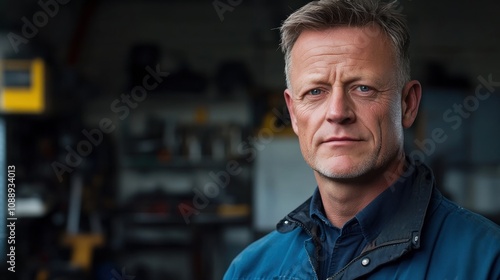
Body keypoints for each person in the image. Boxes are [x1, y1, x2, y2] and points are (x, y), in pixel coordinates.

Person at [224, 0, 500, 279]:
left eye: (363, 88)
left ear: (407, 104)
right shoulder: (250, 270)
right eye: (316, 92)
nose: (337, 113)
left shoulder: (486, 261)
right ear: (294, 114)